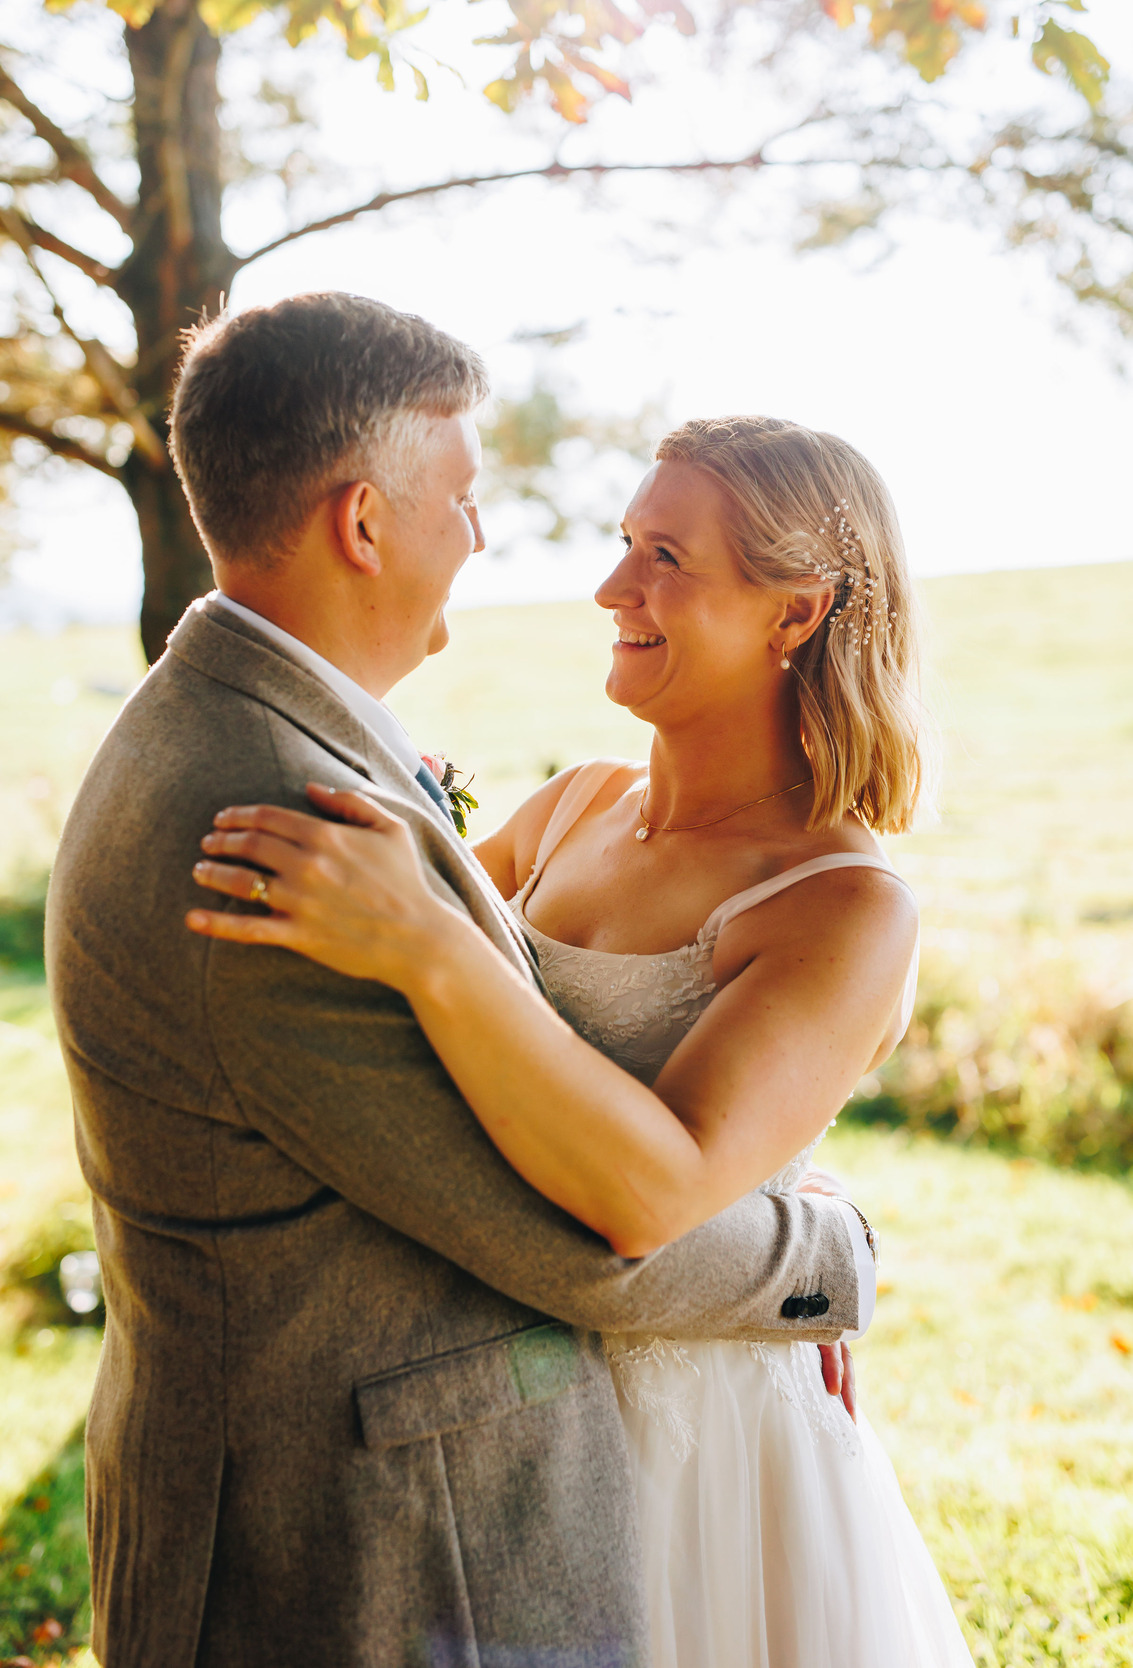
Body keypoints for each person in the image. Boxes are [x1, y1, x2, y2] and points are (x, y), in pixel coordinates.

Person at [46, 295, 874, 1668]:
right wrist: (825, 1259)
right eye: (462, 497)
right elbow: (573, 1240)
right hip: (365, 1548)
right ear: (365, 523)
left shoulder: (257, 742)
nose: (484, 537)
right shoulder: (278, 823)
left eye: (662, 555)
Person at [190, 413, 977, 1667]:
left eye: (666, 554)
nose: (613, 585)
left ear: (794, 612)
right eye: (623, 541)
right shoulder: (573, 806)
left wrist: (428, 942)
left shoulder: (841, 905)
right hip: (488, 1398)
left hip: (696, 1453)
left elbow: (648, 1188)